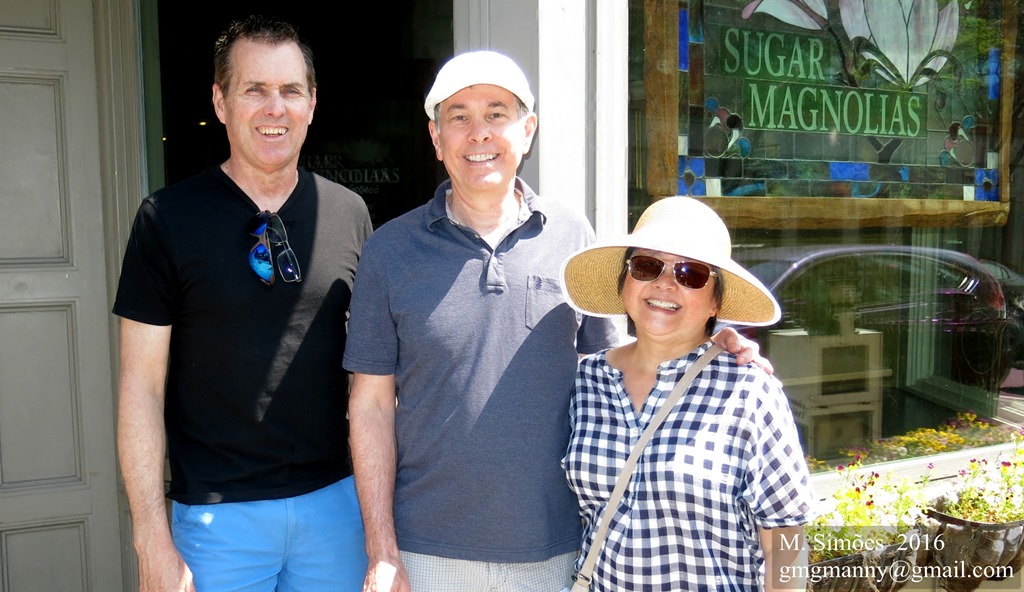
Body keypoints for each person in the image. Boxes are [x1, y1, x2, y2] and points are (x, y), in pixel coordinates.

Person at [344, 50, 771, 592]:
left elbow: (621, 364)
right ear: (436, 137)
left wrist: (707, 344)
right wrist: (382, 550)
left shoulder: (572, 237)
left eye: (496, 114)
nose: (479, 133)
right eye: (459, 116)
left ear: (528, 131)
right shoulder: (389, 251)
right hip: (425, 550)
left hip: (561, 550)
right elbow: (371, 405)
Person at [113, 15, 371, 591]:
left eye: (291, 90)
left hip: (335, 508)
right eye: (255, 89)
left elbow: (372, 379)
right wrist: (150, 537)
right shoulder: (167, 219)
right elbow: (140, 386)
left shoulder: (349, 213)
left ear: (311, 104)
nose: (274, 108)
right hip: (216, 521)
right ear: (220, 101)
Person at [560, 195, 815, 592]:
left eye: (690, 273)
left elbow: (785, 542)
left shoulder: (748, 391)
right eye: (647, 266)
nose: (665, 283)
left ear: (716, 302)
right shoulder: (586, 381)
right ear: (625, 281)